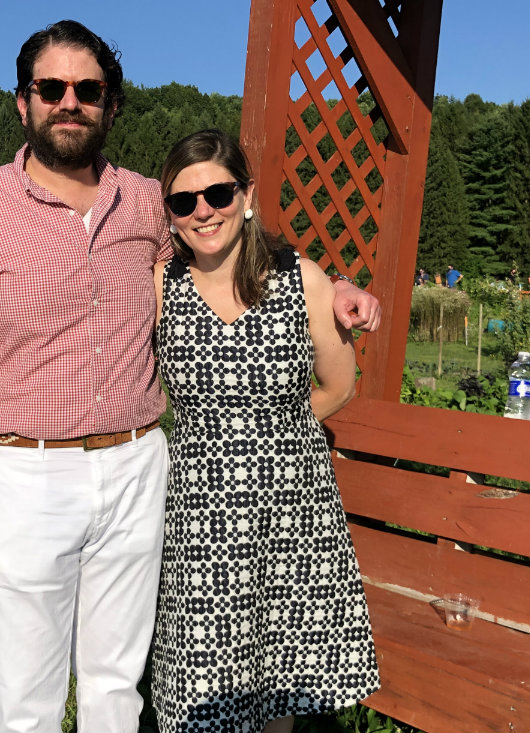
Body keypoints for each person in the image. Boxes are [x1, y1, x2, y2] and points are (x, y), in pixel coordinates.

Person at [0, 20, 381, 733]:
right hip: (26, 474)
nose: (69, 101)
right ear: (22, 102)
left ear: (111, 105)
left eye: (87, 89)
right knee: (26, 694)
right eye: (50, 88)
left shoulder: (150, 201)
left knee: (118, 686)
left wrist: (327, 285)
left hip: (136, 467)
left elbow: (225, 241)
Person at [150, 129, 379, 733]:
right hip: (201, 510)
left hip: (292, 505)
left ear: (247, 196)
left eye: (219, 194)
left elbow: (337, 385)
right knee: (202, 672)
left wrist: (274, 437)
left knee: (279, 678)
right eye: (184, 201)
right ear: (171, 216)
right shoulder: (160, 285)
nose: (204, 211)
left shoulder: (300, 280)